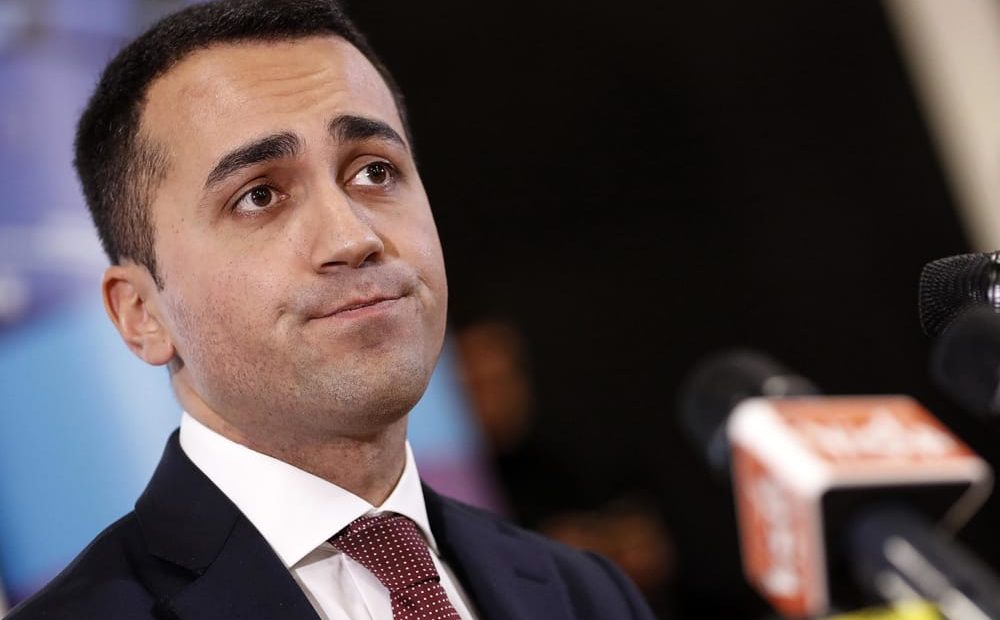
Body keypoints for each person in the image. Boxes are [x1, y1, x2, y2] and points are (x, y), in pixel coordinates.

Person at [6, 1, 658, 619]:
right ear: (141, 313)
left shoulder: (587, 595)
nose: (353, 237)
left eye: (374, 172)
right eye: (259, 195)